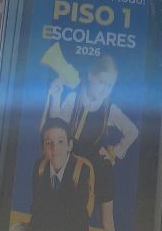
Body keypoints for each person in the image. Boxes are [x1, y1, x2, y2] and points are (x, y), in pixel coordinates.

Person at [48, 54, 138, 231]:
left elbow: (132, 131)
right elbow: (56, 127)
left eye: (110, 85)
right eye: (102, 82)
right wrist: (55, 97)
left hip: (99, 169)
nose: (105, 89)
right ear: (90, 76)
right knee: (72, 217)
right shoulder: (73, 99)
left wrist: (114, 151)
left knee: (107, 222)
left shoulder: (109, 109)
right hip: (73, 166)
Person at [27, 118, 95, 231]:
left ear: (70, 145)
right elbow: (36, 210)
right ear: (43, 148)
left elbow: (78, 218)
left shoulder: (81, 170)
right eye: (49, 143)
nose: (55, 148)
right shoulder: (40, 168)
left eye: (60, 141)